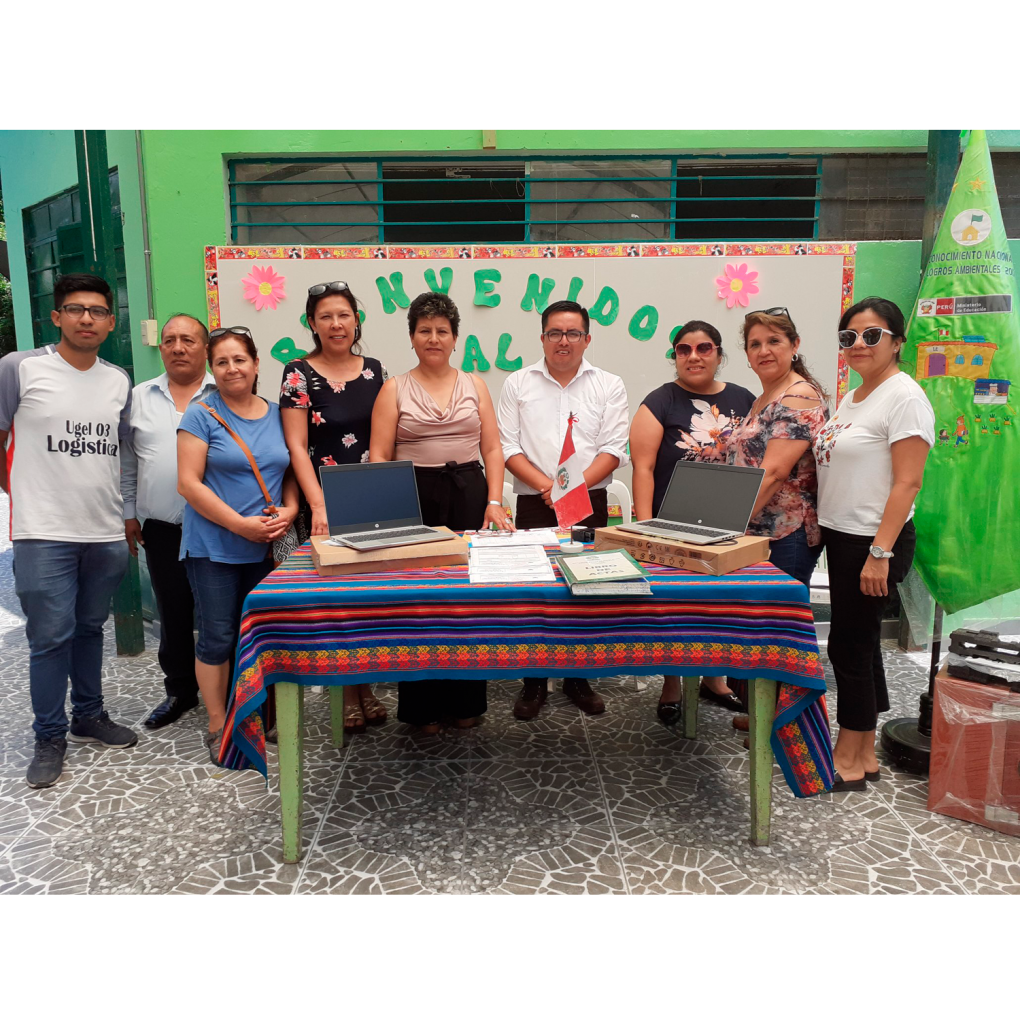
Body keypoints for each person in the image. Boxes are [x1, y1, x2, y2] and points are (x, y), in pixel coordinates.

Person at [0, 274, 138, 788]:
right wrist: (23, 493)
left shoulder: (118, 380)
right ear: (57, 316)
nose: (87, 319)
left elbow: (120, 454)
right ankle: (49, 735)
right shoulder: (20, 369)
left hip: (103, 532)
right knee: (49, 637)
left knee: (89, 629)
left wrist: (125, 515)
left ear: (110, 322)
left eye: (98, 311)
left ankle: (88, 714)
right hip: (43, 533)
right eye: (76, 309)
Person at [369, 291, 511, 732]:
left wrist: (494, 501)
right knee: (419, 601)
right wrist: (390, 512)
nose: (434, 338)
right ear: (412, 337)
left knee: (467, 599)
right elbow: (380, 454)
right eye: (425, 330)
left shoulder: (475, 385)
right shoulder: (394, 388)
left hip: (468, 494)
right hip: (414, 498)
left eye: (442, 331)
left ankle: (467, 701)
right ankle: (421, 707)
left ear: (455, 338)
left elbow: (492, 448)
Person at [815, 297, 933, 791]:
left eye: (871, 335)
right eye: (849, 337)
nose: (858, 344)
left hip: (873, 541)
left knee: (849, 647)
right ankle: (864, 751)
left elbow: (908, 483)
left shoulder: (904, 397)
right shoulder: (856, 396)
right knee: (860, 646)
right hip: (844, 538)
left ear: (897, 342)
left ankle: (848, 756)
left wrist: (879, 554)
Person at [497, 298, 630, 720]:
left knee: (586, 589)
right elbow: (507, 447)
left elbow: (613, 449)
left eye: (573, 333)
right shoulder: (517, 383)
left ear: (587, 339)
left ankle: (578, 677)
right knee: (535, 590)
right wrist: (549, 489)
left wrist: (570, 490)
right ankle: (534, 680)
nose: (563, 341)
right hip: (534, 502)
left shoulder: (609, 384)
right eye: (555, 332)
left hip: (589, 502)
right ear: (542, 338)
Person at [177, 326, 299, 763]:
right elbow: (188, 484)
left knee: (264, 635)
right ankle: (218, 724)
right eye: (222, 362)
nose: (232, 368)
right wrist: (240, 526)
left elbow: (288, 469)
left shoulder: (277, 413)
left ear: (256, 363)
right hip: (213, 547)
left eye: (240, 359)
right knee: (218, 636)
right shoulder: (200, 415)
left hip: (267, 547)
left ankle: (259, 717)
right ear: (212, 368)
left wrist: (290, 509)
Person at [630, 320, 754, 722]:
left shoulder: (744, 398)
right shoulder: (659, 401)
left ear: (719, 353)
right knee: (677, 608)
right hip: (672, 527)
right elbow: (643, 469)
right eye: (683, 349)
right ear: (675, 357)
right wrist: (645, 531)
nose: (693, 356)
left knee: (720, 607)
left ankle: (714, 680)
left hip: (729, 526)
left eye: (703, 348)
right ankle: (672, 685)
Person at [280, 281, 387, 733]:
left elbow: (384, 436)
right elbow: (296, 446)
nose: (336, 324)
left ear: (356, 321)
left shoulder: (375, 370)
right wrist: (318, 505)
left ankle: (365, 687)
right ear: (312, 323)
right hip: (323, 505)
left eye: (344, 315)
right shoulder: (298, 373)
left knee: (367, 602)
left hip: (371, 503)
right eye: (325, 316)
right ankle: (344, 692)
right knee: (337, 603)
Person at [725, 308, 830, 740]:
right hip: (754, 532)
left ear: (794, 345)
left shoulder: (798, 396)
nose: (764, 350)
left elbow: (772, 473)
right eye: (755, 344)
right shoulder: (764, 397)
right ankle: (763, 714)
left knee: (775, 633)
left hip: (786, 534)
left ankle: (785, 727)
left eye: (774, 341)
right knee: (754, 629)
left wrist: (724, 525)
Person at [122, 314, 216, 730]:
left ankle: (230, 690)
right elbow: (128, 463)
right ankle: (180, 691)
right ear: (160, 347)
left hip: (217, 527)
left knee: (219, 614)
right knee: (172, 612)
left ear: (205, 348)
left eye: (188, 340)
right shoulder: (139, 398)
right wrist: (128, 512)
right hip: (161, 528)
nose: (178, 348)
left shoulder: (224, 392)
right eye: (170, 340)